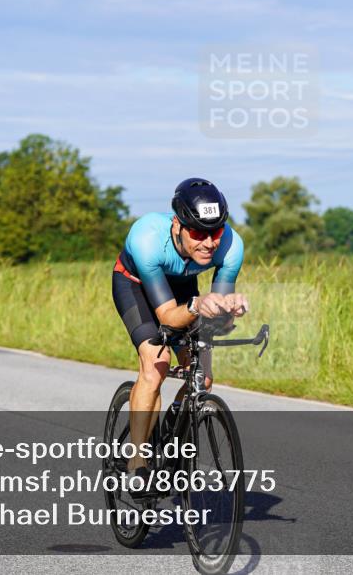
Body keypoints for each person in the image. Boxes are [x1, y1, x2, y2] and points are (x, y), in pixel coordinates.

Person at [111, 177, 248, 481]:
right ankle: (137, 462)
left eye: (215, 232)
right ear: (178, 226)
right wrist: (199, 306)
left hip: (185, 289)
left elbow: (218, 320)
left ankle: (173, 425)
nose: (209, 243)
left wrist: (227, 311)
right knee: (156, 365)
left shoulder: (231, 246)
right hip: (136, 288)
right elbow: (168, 318)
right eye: (198, 233)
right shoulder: (147, 239)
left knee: (204, 376)